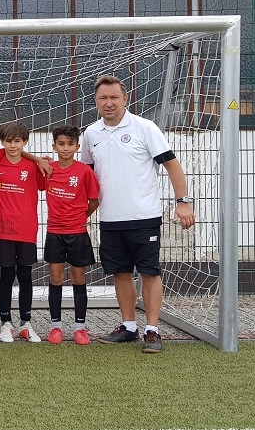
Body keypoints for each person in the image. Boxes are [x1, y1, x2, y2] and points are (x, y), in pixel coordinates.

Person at [83, 75, 195, 354]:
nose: (109, 103)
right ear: (96, 101)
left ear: (125, 99)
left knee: (149, 272)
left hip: (144, 217)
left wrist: (183, 202)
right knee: (120, 273)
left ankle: (152, 330)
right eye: (103, 98)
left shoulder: (145, 128)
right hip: (110, 219)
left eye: (114, 97)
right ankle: (129, 326)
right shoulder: (91, 133)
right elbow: (86, 174)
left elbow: (172, 165)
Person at [43, 125, 100, 345]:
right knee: (56, 278)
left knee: (78, 278)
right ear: (54, 146)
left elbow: (94, 200)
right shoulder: (48, 169)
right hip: (54, 232)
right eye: (61, 144)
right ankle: (55, 326)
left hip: (77, 232)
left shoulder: (84, 171)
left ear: (77, 147)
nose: (65, 148)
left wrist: (80, 217)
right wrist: (40, 161)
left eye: (70, 144)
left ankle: (80, 328)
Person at [0, 121, 45, 343]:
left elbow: (46, 183)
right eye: (8, 141)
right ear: (2, 142)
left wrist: (39, 160)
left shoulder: (33, 166)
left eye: (17, 141)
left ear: (24, 142)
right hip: (3, 230)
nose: (12, 146)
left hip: (27, 229)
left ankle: (26, 323)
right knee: (6, 277)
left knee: (25, 276)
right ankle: (6, 324)